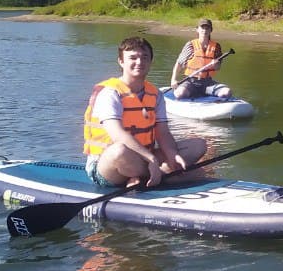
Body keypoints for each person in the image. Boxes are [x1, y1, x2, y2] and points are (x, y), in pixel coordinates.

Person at [83, 36, 207, 188]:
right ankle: (162, 175)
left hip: (143, 158)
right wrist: (151, 159)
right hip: (107, 163)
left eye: (144, 57)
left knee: (198, 145)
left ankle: (142, 177)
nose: (139, 62)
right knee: (119, 151)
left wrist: (172, 155)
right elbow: (117, 135)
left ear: (150, 62)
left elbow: (163, 133)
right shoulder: (109, 93)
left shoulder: (155, 94)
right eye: (133, 58)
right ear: (121, 62)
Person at [170, 18, 232, 99]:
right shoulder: (190, 45)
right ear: (197, 30)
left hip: (207, 83)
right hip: (190, 82)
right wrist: (173, 80)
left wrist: (215, 64)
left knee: (226, 92)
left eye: (207, 28)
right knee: (180, 94)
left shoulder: (216, 47)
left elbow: (217, 68)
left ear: (210, 30)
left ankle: (214, 103)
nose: (205, 30)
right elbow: (178, 64)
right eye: (202, 28)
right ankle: (179, 90)